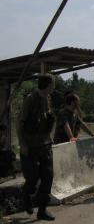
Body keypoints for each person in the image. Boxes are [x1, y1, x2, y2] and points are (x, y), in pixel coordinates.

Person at [17, 74, 56, 221]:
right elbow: (20, 122)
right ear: (47, 84)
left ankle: (42, 210)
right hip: (31, 147)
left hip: (45, 145)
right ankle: (26, 194)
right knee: (32, 179)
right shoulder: (30, 99)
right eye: (53, 84)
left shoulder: (48, 99)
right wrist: (22, 144)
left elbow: (47, 120)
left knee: (48, 177)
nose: (54, 87)